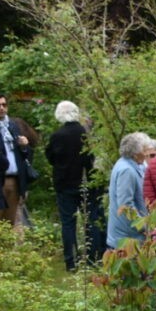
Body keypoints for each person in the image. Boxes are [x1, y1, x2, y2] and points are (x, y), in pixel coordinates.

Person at [45, 101, 105, 270]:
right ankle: (93, 258)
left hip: (65, 184)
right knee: (91, 220)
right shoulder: (85, 134)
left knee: (68, 222)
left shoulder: (57, 136)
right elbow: (93, 158)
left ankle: (71, 261)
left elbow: (51, 157)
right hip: (87, 182)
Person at [0, 93, 34, 228]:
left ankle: (6, 248)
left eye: (4, 105)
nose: (1, 108)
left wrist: (25, 147)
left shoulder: (14, 126)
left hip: (14, 179)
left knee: (10, 222)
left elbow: (26, 158)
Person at [106, 132, 151, 249]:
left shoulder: (135, 165)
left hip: (131, 235)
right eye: (144, 150)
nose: (147, 154)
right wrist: (145, 226)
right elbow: (126, 206)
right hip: (126, 238)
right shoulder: (127, 170)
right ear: (135, 154)